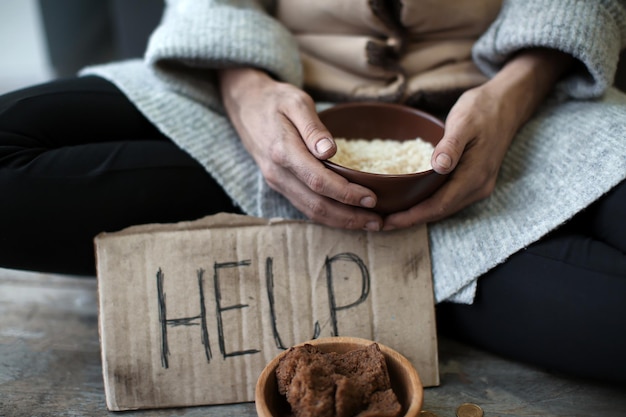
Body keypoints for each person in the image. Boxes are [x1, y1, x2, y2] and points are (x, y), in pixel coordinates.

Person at [1, 0, 624, 382]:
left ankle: (390, 277)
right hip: (266, 99)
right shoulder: (249, 97)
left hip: (509, 107)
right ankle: (426, 280)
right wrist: (245, 92)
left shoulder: (511, 104)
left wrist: (512, 97)